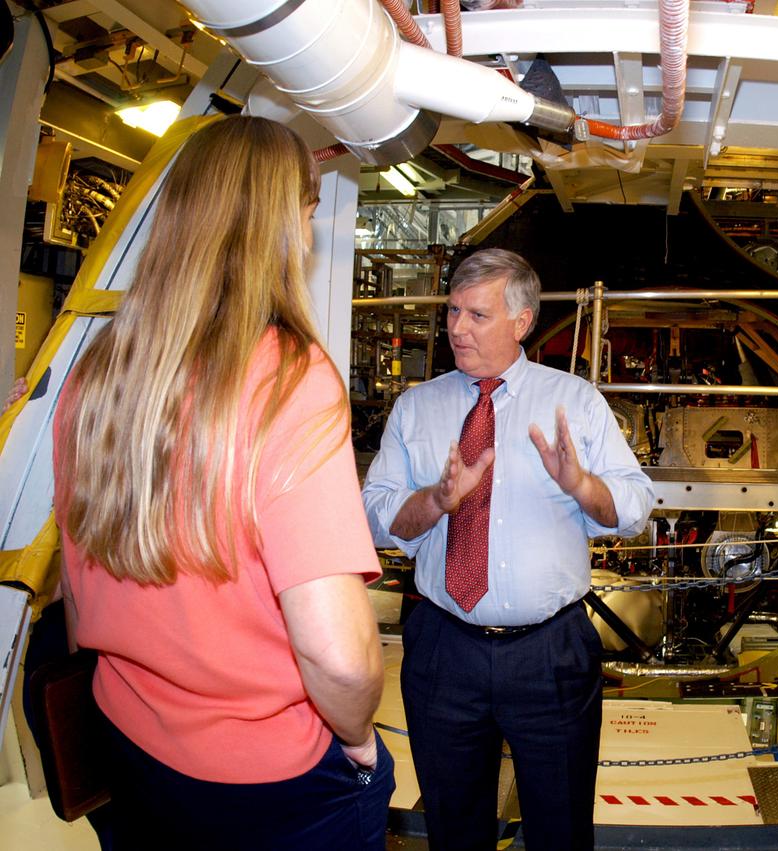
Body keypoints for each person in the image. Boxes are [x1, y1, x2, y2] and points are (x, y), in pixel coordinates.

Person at [52, 116, 393, 850]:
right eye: (305, 216)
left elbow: (77, 591)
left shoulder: (95, 374)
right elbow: (337, 655)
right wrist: (360, 736)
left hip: (129, 736)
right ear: (277, 224)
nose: (308, 238)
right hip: (265, 782)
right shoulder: (289, 381)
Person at [362, 248, 654, 851]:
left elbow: (632, 509)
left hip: (550, 650)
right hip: (444, 647)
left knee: (561, 826)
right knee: (453, 824)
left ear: (521, 322)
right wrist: (436, 501)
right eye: (452, 312)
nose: (457, 329)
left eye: (476, 315)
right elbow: (374, 517)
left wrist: (581, 485)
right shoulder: (418, 407)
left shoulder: (574, 402)